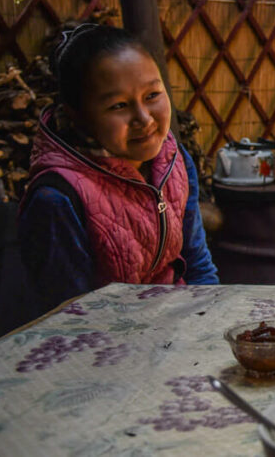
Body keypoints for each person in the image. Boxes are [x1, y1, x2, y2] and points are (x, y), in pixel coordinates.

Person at [18, 24, 218, 310]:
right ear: (78, 115)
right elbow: (70, 317)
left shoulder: (173, 159)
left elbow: (197, 263)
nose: (144, 119)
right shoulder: (58, 198)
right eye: (118, 106)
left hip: (177, 323)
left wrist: (208, 320)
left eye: (152, 96)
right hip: (103, 344)